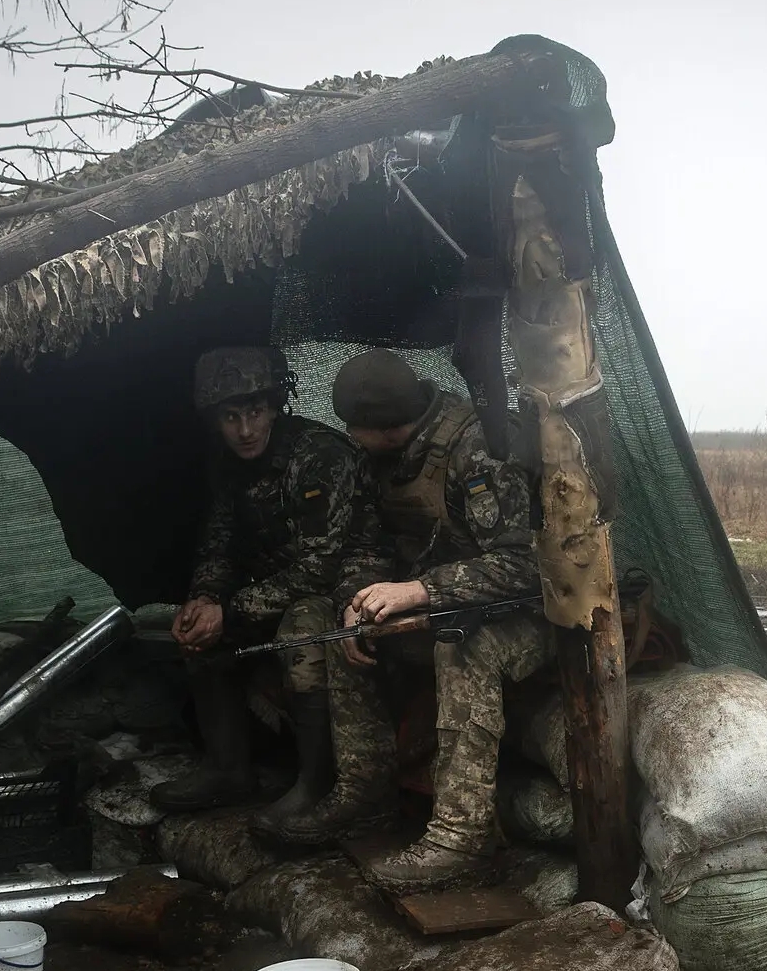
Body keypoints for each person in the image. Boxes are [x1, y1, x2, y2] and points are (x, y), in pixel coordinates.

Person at [261, 349, 548, 895]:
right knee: (333, 624)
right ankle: (364, 797)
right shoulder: (382, 458)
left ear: (387, 427)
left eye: (357, 429)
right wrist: (356, 600)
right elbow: (369, 542)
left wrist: (419, 591)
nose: (352, 437)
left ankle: (460, 837)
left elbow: (525, 564)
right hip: (434, 604)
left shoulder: (478, 447)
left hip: (527, 614)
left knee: (464, 645)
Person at [150, 346, 377, 829]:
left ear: (275, 406)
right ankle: (228, 768)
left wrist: (230, 611)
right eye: (231, 417)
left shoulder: (321, 457)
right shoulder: (228, 464)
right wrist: (206, 597)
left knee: (302, 629)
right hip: (280, 581)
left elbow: (322, 565)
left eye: (255, 413)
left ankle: (315, 783)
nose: (245, 430)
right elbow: (220, 542)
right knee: (199, 628)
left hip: (350, 582)